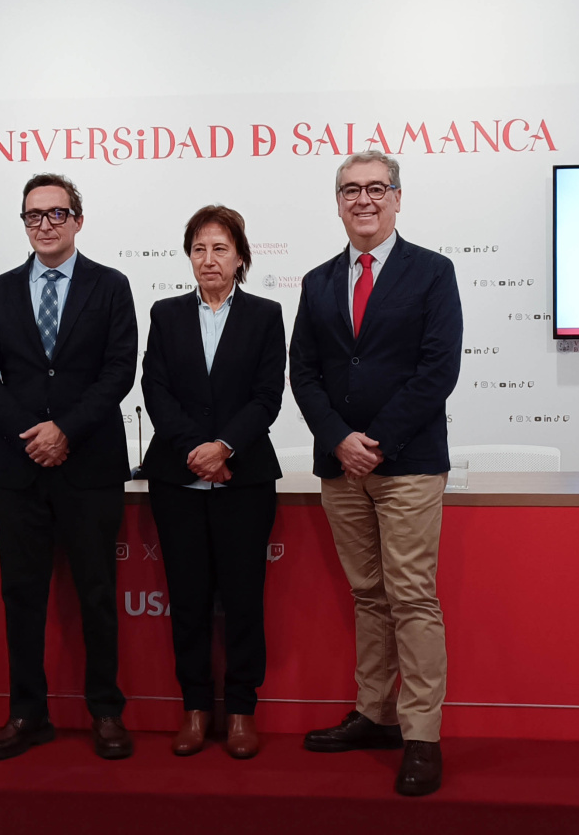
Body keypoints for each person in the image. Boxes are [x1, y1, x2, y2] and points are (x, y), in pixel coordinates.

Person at [288, 151, 462, 796]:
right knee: (368, 595)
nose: (363, 199)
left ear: (396, 197)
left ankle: (422, 734)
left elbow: (438, 370)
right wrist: (338, 439)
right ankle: (375, 714)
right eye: (350, 190)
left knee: (411, 597)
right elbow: (304, 371)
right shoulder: (318, 281)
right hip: (340, 467)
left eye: (375, 188)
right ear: (337, 202)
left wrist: (377, 443)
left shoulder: (433, 272)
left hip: (407, 464)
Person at [0, 173, 139, 761]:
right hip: (21, 471)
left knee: (97, 594)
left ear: (78, 220)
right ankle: (27, 714)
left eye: (57, 214)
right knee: (22, 597)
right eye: (33, 215)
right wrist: (31, 434)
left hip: (89, 466)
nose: (45, 225)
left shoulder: (110, 286)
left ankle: (106, 712)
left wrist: (65, 429)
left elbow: (119, 370)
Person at [141, 205, 285, 759]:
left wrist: (224, 447)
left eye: (220, 248)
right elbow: (156, 391)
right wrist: (196, 453)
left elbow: (267, 396)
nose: (209, 259)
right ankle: (196, 708)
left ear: (240, 258)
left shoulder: (265, 315)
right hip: (177, 481)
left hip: (243, 479)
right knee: (188, 600)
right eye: (199, 248)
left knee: (244, 599)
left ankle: (242, 709)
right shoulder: (166, 314)